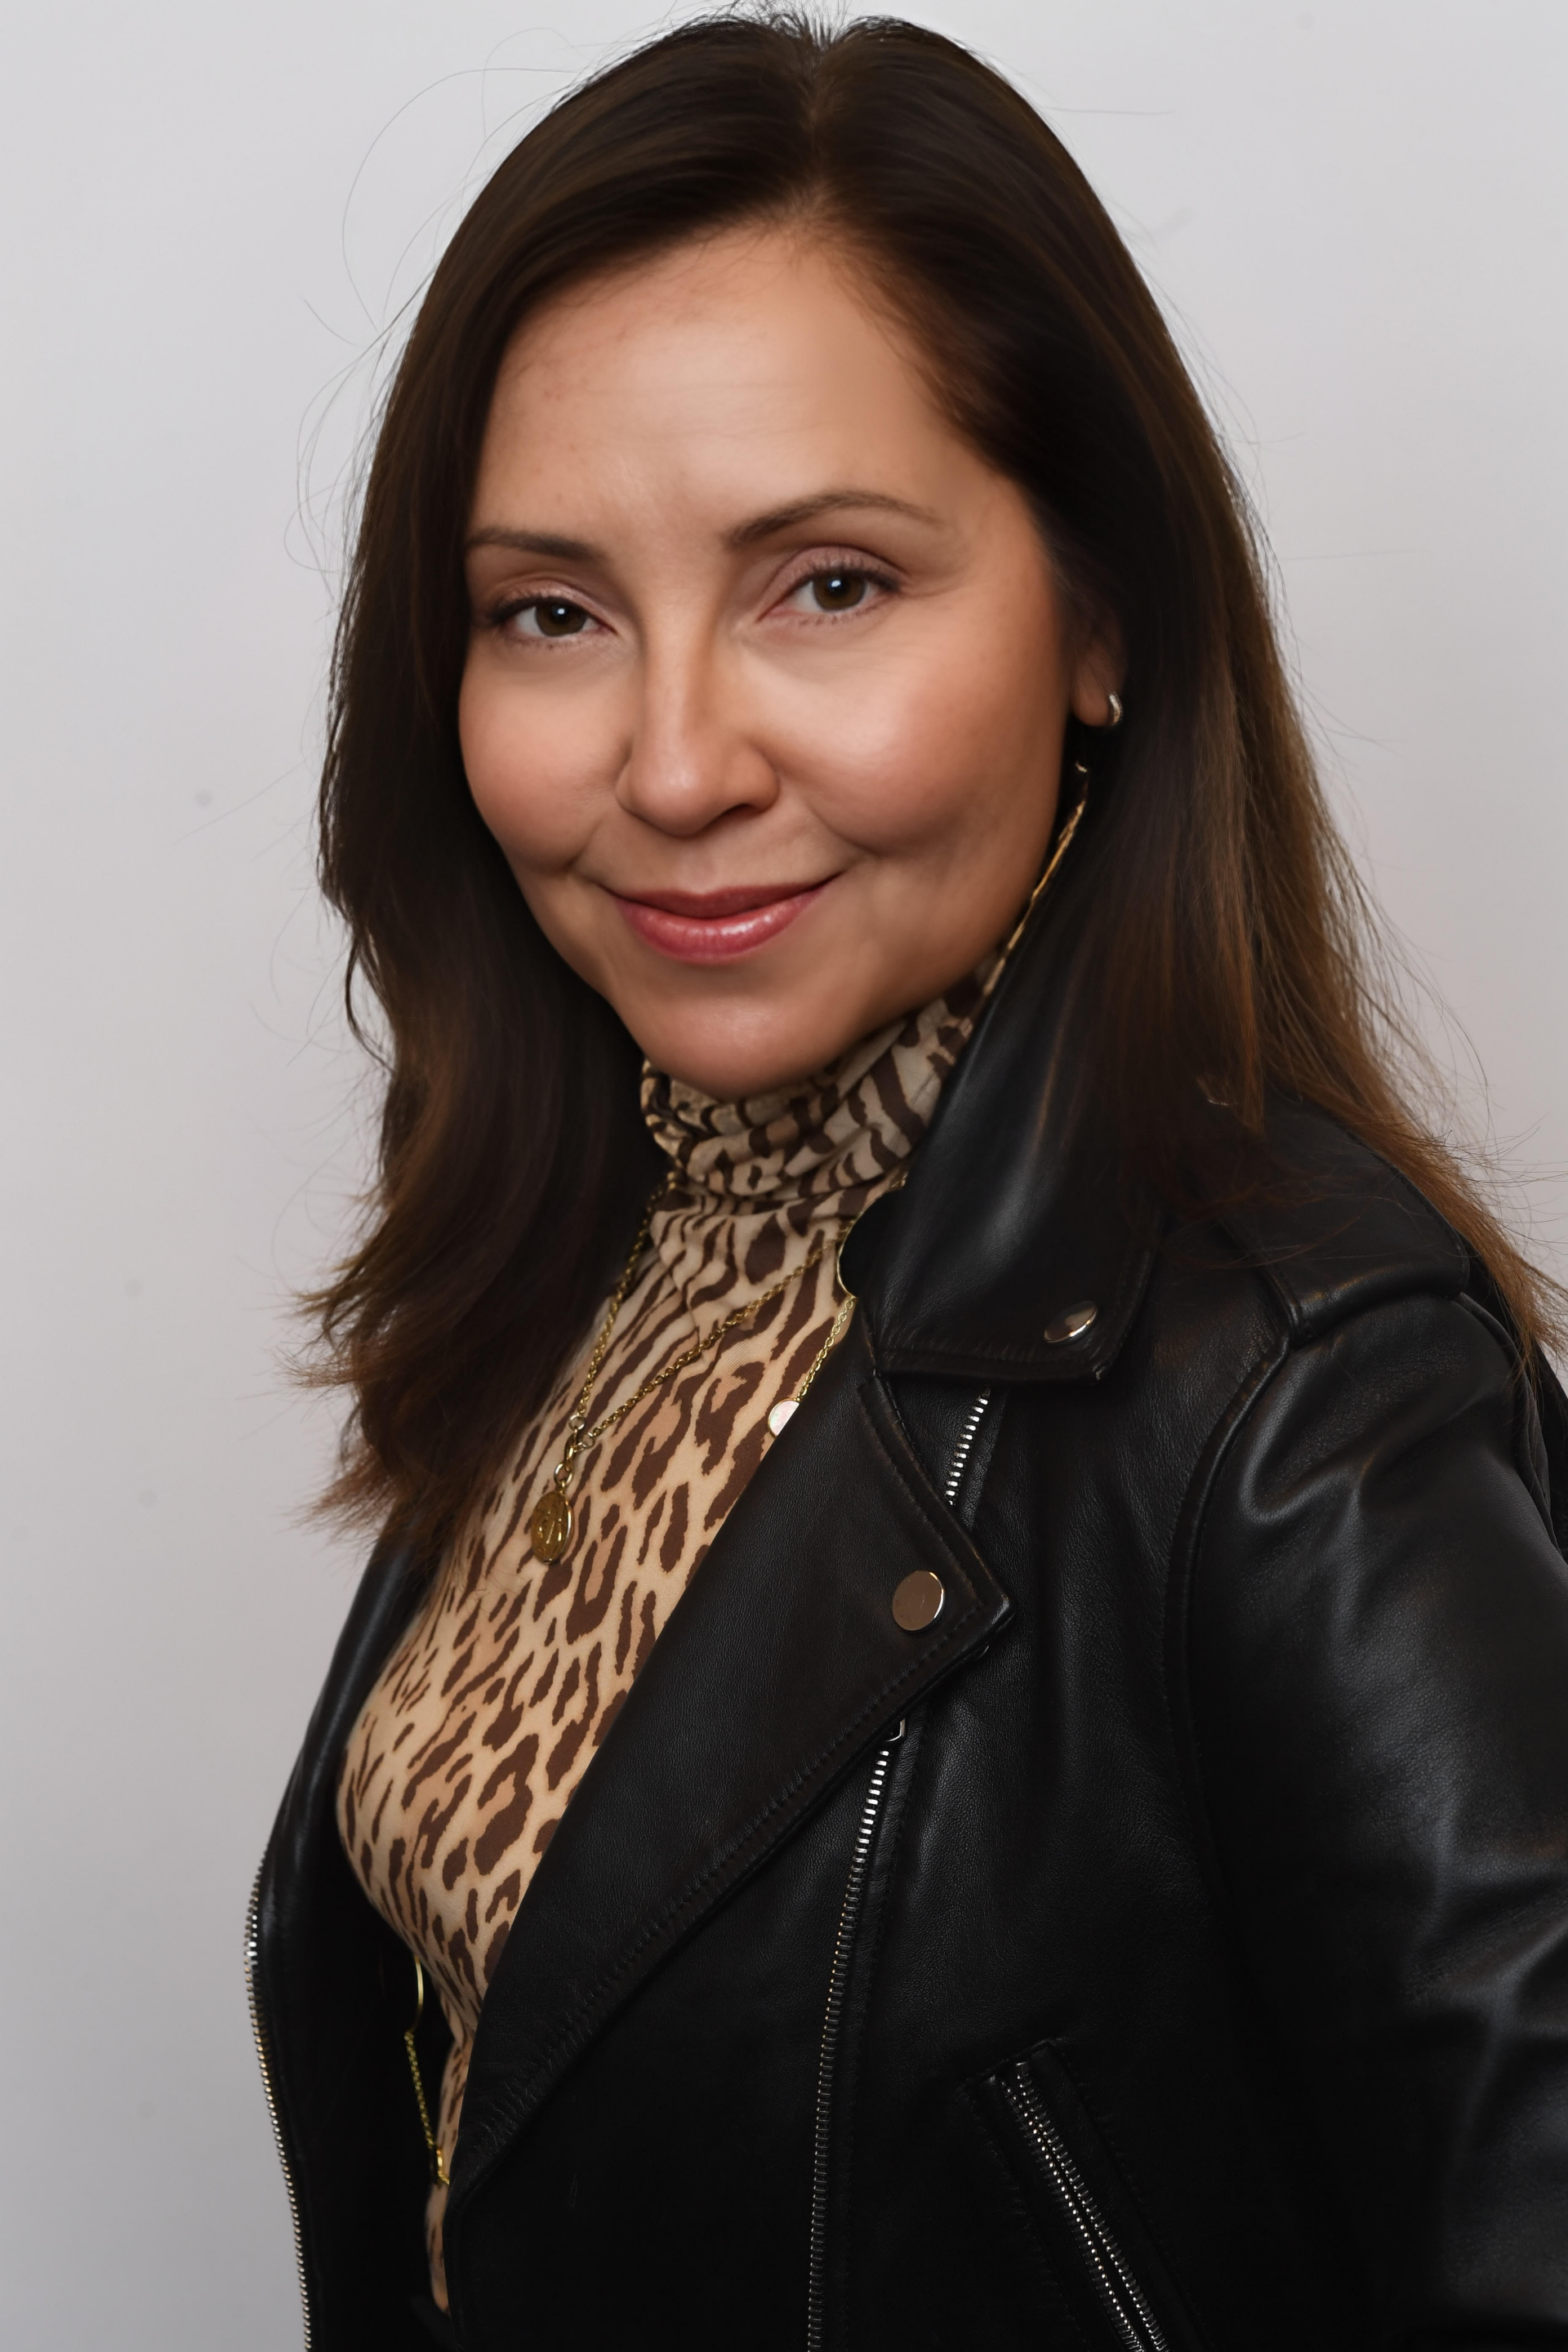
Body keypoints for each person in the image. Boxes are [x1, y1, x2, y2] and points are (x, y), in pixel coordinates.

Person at [246, 13, 1568, 2349]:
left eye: (828, 584)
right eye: (551, 611)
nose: (672, 763)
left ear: (1099, 617)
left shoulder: (1304, 1400)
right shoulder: (620, 1243)